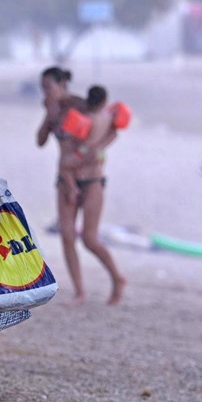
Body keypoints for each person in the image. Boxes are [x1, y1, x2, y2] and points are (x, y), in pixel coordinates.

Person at [36, 68, 126, 306]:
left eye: (49, 87)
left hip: (91, 177)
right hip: (65, 178)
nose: (45, 92)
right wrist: (48, 114)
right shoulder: (53, 110)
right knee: (67, 234)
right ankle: (80, 292)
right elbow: (41, 141)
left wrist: (96, 149)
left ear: (63, 84)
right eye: (42, 87)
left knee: (89, 238)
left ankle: (117, 279)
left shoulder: (82, 105)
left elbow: (113, 129)